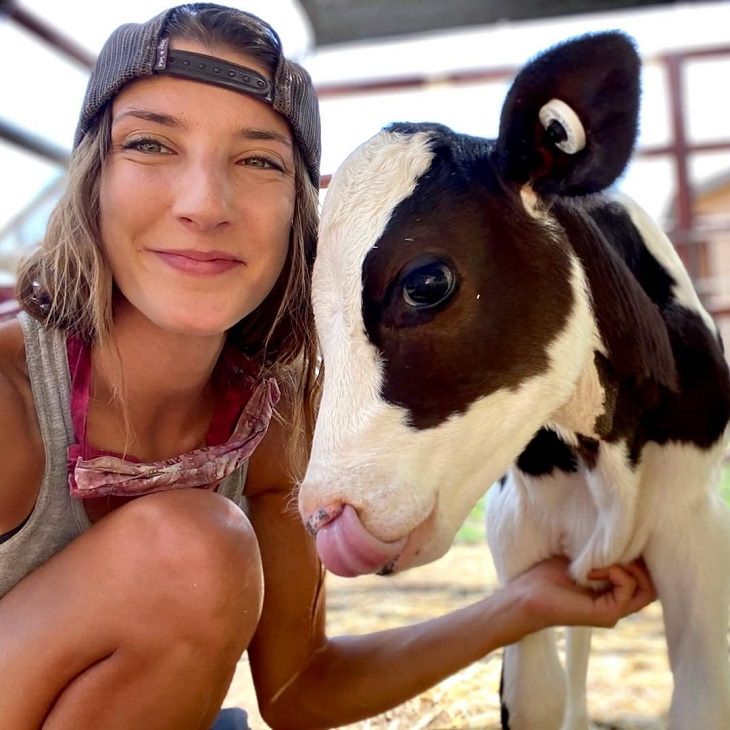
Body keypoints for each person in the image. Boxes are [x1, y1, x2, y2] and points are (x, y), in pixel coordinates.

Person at [0, 3, 656, 729]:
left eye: (258, 160)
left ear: (304, 215)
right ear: (93, 179)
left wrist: (523, 603)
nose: (203, 204)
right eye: (152, 145)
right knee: (189, 552)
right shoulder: (12, 401)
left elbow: (298, 691)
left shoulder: (267, 422)